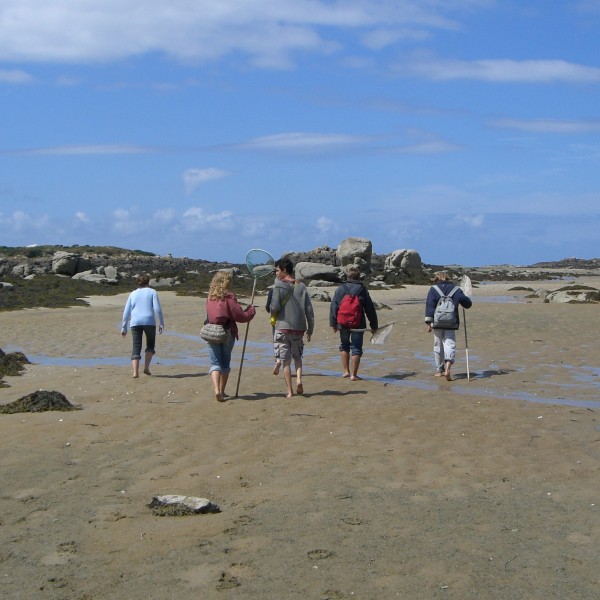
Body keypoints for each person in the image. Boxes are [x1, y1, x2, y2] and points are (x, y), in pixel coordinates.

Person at [205, 270, 256, 402]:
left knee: (215, 362)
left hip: (211, 331)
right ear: (226, 282)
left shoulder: (210, 296)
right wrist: (251, 311)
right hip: (226, 332)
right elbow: (240, 316)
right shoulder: (229, 298)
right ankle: (221, 391)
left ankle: (217, 390)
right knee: (225, 363)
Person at [269, 257, 314, 397]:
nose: (276, 273)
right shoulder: (301, 286)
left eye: (277, 270)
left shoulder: (278, 285)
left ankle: (289, 391)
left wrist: (272, 310)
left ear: (284, 270)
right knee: (298, 357)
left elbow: (274, 307)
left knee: (285, 361)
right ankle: (299, 380)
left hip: (282, 327)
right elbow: (309, 310)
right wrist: (310, 328)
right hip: (299, 328)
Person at [329, 266, 378, 380]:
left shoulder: (340, 289)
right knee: (356, 348)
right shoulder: (362, 290)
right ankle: (354, 375)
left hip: (342, 323)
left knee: (344, 346)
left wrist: (333, 323)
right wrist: (373, 325)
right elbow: (370, 309)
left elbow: (334, 307)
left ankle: (346, 371)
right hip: (358, 324)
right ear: (359, 277)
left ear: (347, 276)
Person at [424, 271, 472, 381]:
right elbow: (467, 304)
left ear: (436, 279)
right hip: (451, 322)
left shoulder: (433, 289)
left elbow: (430, 306)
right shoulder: (456, 289)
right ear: (447, 278)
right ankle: (448, 368)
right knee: (450, 344)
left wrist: (428, 323)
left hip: (437, 322)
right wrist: (465, 297)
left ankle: (439, 370)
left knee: (438, 346)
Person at [121, 274, 165, 378]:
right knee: (150, 345)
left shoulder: (133, 294)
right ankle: (146, 368)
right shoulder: (152, 292)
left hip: (135, 322)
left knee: (136, 347)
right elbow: (157, 309)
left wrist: (124, 327)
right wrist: (161, 323)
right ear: (148, 282)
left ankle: (135, 372)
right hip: (149, 321)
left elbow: (126, 312)